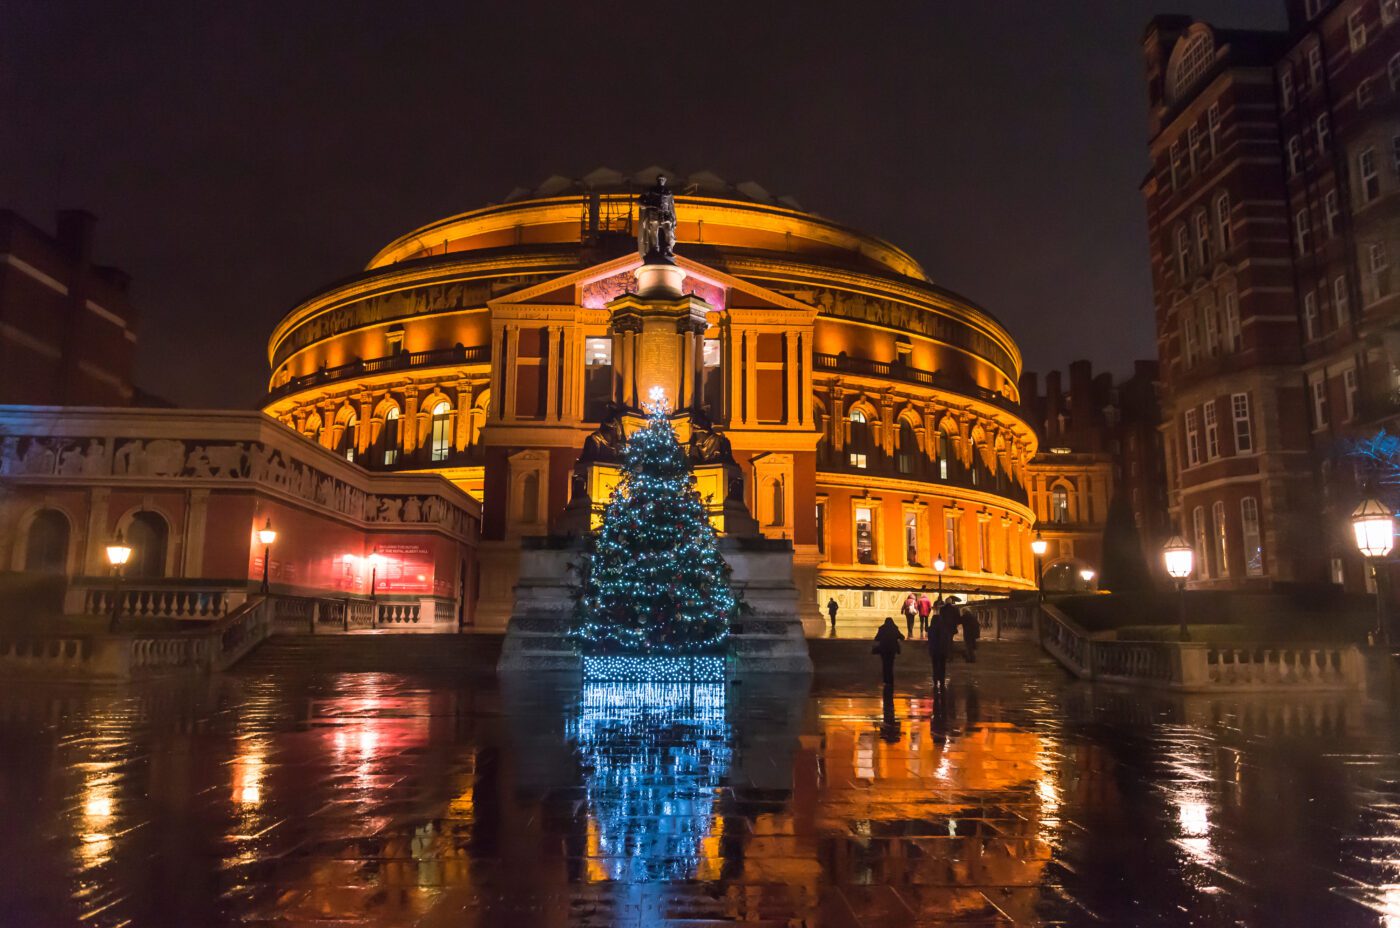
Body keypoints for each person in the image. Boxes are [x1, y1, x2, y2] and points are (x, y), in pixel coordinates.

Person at [928, 595, 960, 694]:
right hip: (942, 650)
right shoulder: (944, 628)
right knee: (942, 665)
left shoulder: (932, 628)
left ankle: (935, 680)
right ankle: (941, 681)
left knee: (934, 665)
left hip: (934, 650)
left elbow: (930, 638)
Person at [872, 616, 905, 687]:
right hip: (892, 649)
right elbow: (902, 637)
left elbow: (876, 638)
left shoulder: (882, 628)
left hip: (883, 649)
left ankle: (885, 680)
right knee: (890, 665)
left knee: (885, 665)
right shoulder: (894, 628)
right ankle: (890, 680)